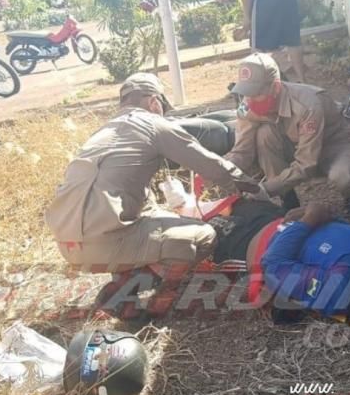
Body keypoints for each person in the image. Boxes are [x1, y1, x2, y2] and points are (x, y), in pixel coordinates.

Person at [45, 73, 259, 275]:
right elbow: (212, 166)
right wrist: (254, 188)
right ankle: (158, 296)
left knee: (158, 217)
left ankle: (126, 279)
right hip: (106, 243)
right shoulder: (153, 124)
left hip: (67, 245)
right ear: (154, 102)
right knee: (204, 236)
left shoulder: (101, 133)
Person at [225, 53, 350, 217]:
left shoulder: (308, 104)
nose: (250, 100)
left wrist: (266, 189)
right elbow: (242, 150)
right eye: (246, 93)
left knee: (344, 177)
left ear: (276, 87)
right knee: (264, 134)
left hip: (335, 144)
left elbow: (306, 162)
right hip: (296, 143)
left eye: (256, 93)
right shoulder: (247, 107)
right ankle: (288, 198)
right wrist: (221, 169)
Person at [207, 0, 307, 83]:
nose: (220, 1)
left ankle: (264, 84)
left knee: (259, 46)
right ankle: (302, 81)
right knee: (293, 40)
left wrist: (247, 18)